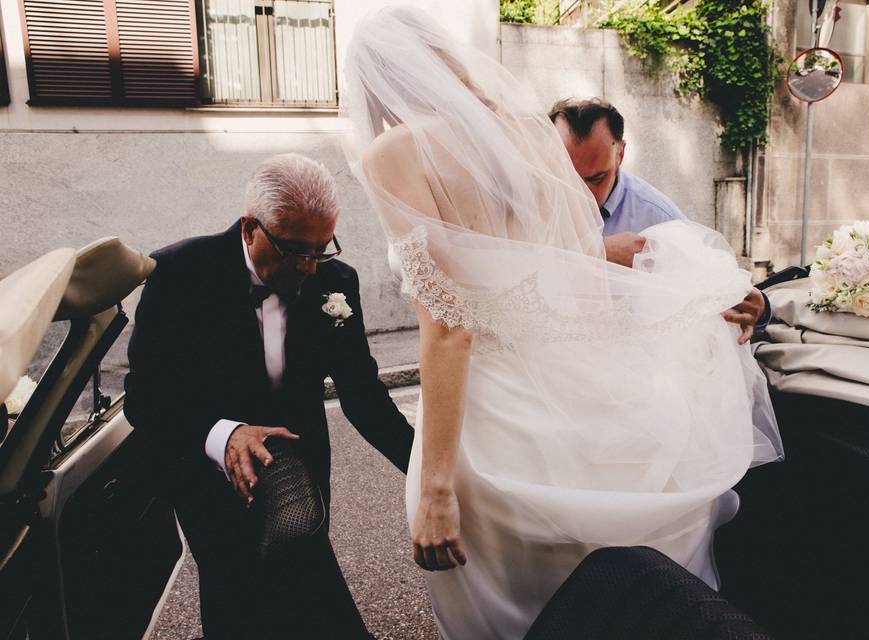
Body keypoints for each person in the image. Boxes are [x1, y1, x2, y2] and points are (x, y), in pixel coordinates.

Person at [344, 7, 782, 639]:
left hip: (495, 409)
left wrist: (437, 486)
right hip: (573, 386)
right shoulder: (524, 130)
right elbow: (578, 269)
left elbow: (448, 325)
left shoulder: (395, 151)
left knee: (518, 592)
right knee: (611, 580)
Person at [123, 153, 414, 639]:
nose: (307, 265)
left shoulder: (336, 283)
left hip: (301, 471)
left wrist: (427, 470)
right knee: (234, 596)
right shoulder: (179, 273)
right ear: (249, 228)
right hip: (208, 474)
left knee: (303, 580)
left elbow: (362, 394)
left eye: (322, 248)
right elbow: (145, 396)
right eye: (295, 248)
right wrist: (226, 433)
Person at [549, 98, 770, 344]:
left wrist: (759, 310)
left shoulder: (658, 216)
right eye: (568, 176)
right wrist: (598, 254)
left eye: (597, 178)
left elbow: (715, 296)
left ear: (620, 154)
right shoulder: (528, 203)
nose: (583, 192)